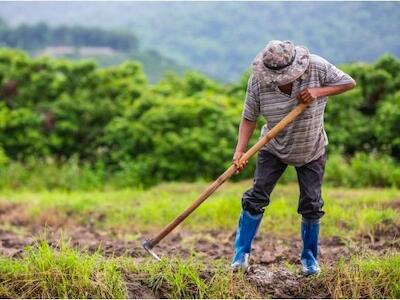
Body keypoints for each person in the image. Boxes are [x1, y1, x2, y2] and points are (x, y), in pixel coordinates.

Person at [231, 40, 356, 275]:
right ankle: (241, 256)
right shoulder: (258, 80)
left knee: (311, 203)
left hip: (311, 148)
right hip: (273, 146)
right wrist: (240, 151)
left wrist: (318, 92)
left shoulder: (317, 67)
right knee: (256, 197)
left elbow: (348, 82)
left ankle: (309, 260)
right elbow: (249, 117)